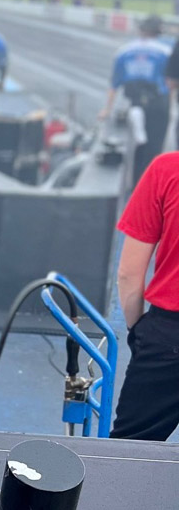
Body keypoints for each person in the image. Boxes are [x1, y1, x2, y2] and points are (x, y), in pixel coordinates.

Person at [109, 151, 179, 440]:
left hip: (168, 336)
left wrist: (138, 331)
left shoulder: (167, 169)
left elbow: (128, 273)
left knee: (128, 456)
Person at [98, 15, 174, 185]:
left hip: (134, 105)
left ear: (141, 31)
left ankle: (136, 187)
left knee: (134, 150)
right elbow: (171, 82)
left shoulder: (124, 51)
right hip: (159, 104)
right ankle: (152, 189)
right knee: (155, 151)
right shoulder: (167, 50)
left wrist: (107, 109)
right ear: (159, 32)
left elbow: (114, 84)